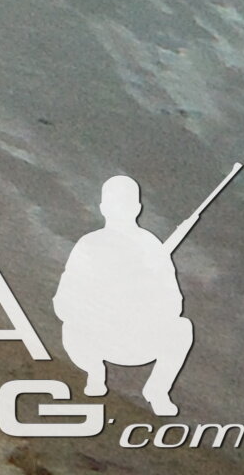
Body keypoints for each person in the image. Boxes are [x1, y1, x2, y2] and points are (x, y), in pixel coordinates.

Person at [55, 175, 197, 416]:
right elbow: (63, 301)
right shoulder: (89, 245)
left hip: (138, 339)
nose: (119, 210)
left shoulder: (151, 248)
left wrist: (141, 299)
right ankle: (95, 373)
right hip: (96, 339)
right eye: (115, 204)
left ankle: (157, 390)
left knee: (182, 329)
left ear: (137, 208)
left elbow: (174, 303)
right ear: (103, 208)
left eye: (124, 204)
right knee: (70, 328)